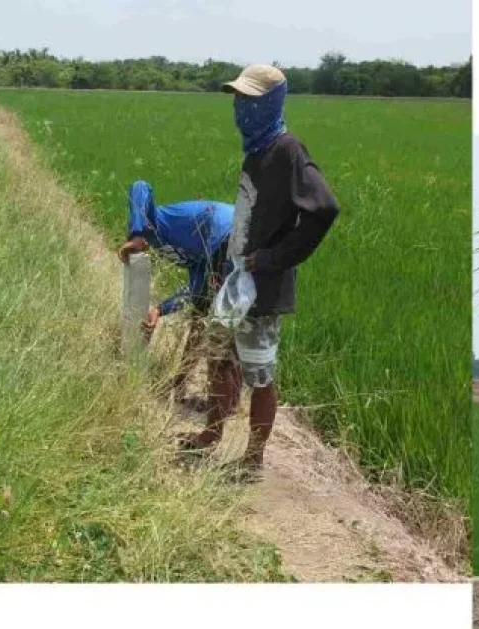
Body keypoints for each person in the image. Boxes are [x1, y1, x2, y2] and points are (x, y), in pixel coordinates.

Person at [179, 63, 340, 480]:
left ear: (270, 103)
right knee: (218, 357)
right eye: (238, 99)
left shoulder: (288, 150)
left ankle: (253, 461)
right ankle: (211, 434)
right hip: (236, 281)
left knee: (259, 374)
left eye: (248, 99)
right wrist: (227, 265)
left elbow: (324, 208)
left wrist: (273, 259)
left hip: (262, 289)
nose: (240, 107)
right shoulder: (257, 149)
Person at [117, 181, 235, 402]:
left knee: (224, 325)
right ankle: (181, 381)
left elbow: (140, 186)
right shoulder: (193, 257)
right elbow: (193, 291)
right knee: (200, 316)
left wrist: (136, 234)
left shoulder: (156, 222)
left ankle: (223, 401)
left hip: (226, 233)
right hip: (218, 247)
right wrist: (159, 311)